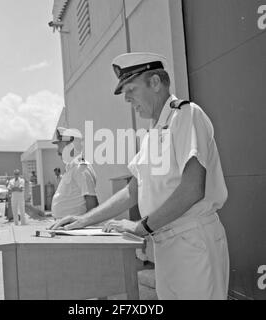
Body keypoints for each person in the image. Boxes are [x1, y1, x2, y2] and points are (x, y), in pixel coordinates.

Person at [50, 52, 230, 300]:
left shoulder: (186, 116)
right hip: (165, 244)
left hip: (192, 241)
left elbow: (193, 188)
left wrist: (140, 226)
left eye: (131, 89)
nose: (126, 98)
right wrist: (83, 221)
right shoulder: (152, 134)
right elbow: (133, 190)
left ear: (155, 82)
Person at [51, 127, 99, 220]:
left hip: (75, 227)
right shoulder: (71, 168)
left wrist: (88, 226)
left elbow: (91, 201)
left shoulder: (81, 168)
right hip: (65, 225)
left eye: (59, 146)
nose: (57, 152)